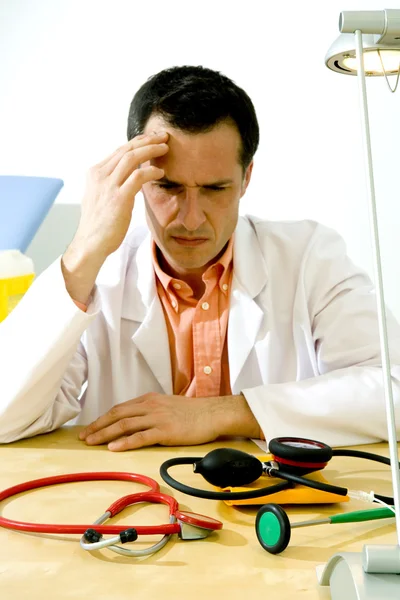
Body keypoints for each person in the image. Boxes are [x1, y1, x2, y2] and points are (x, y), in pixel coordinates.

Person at [0, 65, 399, 452]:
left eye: (214, 189)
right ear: (134, 175)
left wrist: (219, 414)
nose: (190, 219)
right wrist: (86, 246)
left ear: (246, 179)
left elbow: (393, 388)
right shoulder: (97, 273)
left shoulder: (309, 256)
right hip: (132, 507)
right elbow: (6, 417)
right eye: (168, 186)